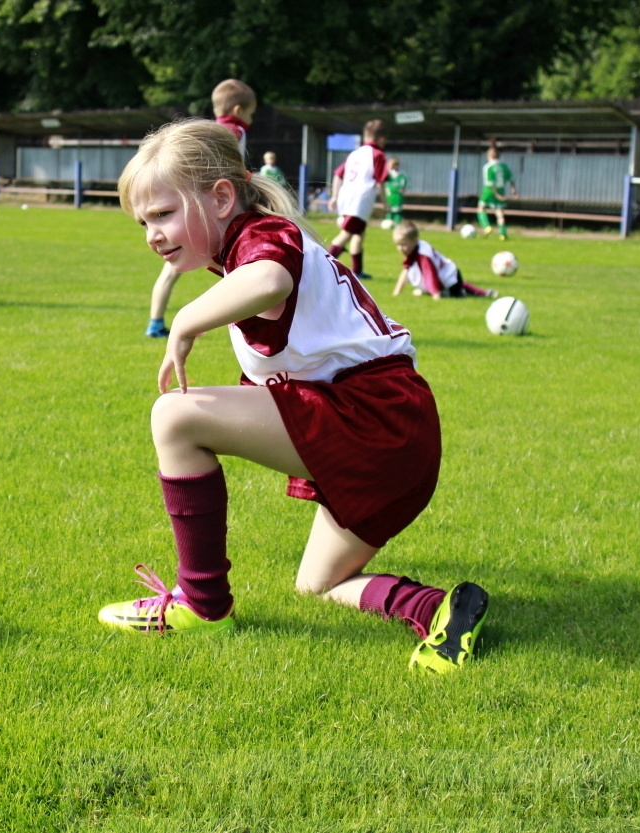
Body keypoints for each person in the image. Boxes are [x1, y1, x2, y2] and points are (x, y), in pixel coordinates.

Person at [98, 119, 489, 674]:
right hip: (399, 431)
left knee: (174, 417)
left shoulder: (262, 236)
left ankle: (201, 606)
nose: (151, 234)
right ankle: (439, 609)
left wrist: (184, 320)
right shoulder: (247, 243)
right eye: (143, 221)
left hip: (378, 419)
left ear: (222, 198)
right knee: (317, 584)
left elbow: (270, 281)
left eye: (162, 214)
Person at [146, 79, 256, 337]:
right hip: (208, 214)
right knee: (239, 268)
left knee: (170, 272)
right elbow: (222, 168)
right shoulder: (233, 131)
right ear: (239, 110)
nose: (251, 119)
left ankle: (155, 323)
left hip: (189, 211)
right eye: (251, 113)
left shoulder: (206, 131)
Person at [326, 119, 388, 281]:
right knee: (346, 233)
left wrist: (335, 196)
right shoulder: (378, 155)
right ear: (381, 139)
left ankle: (357, 270)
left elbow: (338, 174)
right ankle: (323, 265)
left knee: (358, 233)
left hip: (348, 196)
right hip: (361, 200)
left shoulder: (355, 153)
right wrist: (385, 203)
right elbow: (380, 181)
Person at [390, 220, 496, 300]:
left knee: (458, 294)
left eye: (403, 244)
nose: (400, 248)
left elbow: (430, 275)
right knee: (460, 285)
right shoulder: (416, 248)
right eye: (397, 245)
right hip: (448, 277)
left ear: (415, 240)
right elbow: (406, 271)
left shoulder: (423, 255)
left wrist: (436, 295)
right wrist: (396, 292)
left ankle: (483, 293)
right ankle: (484, 292)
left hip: (450, 277)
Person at [477, 143, 518, 239]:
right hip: (501, 189)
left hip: (489, 190)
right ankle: (502, 234)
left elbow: (490, 183)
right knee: (500, 213)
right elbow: (511, 178)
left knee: (481, 208)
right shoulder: (504, 166)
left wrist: (496, 194)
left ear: (489, 156)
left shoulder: (488, 167)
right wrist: (513, 190)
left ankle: (486, 226)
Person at [382, 156, 407, 228]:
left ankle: (398, 226)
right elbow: (383, 184)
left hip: (398, 197)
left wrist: (401, 191)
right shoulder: (387, 175)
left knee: (397, 214)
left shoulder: (401, 176)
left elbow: (403, 187)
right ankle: (388, 225)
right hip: (389, 197)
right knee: (389, 213)